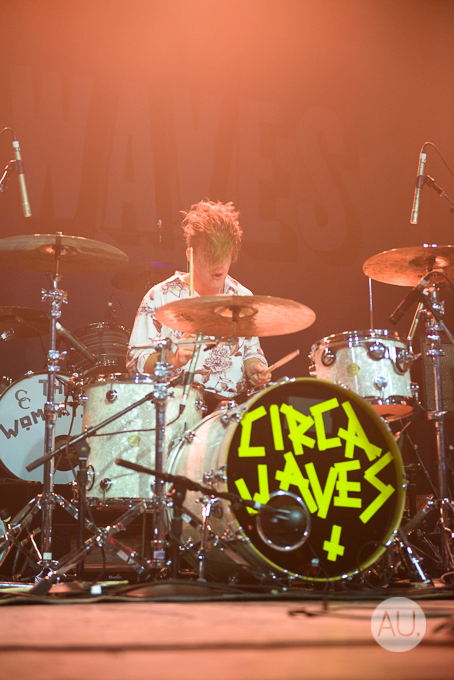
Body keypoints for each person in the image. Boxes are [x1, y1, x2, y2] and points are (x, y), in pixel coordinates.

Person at [126, 200, 271, 406]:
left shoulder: (242, 297)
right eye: (210, 256)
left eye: (225, 256)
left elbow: (251, 351)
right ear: (190, 255)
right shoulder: (160, 296)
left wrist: (254, 366)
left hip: (229, 410)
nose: (218, 265)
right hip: (176, 407)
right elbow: (135, 360)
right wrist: (173, 359)